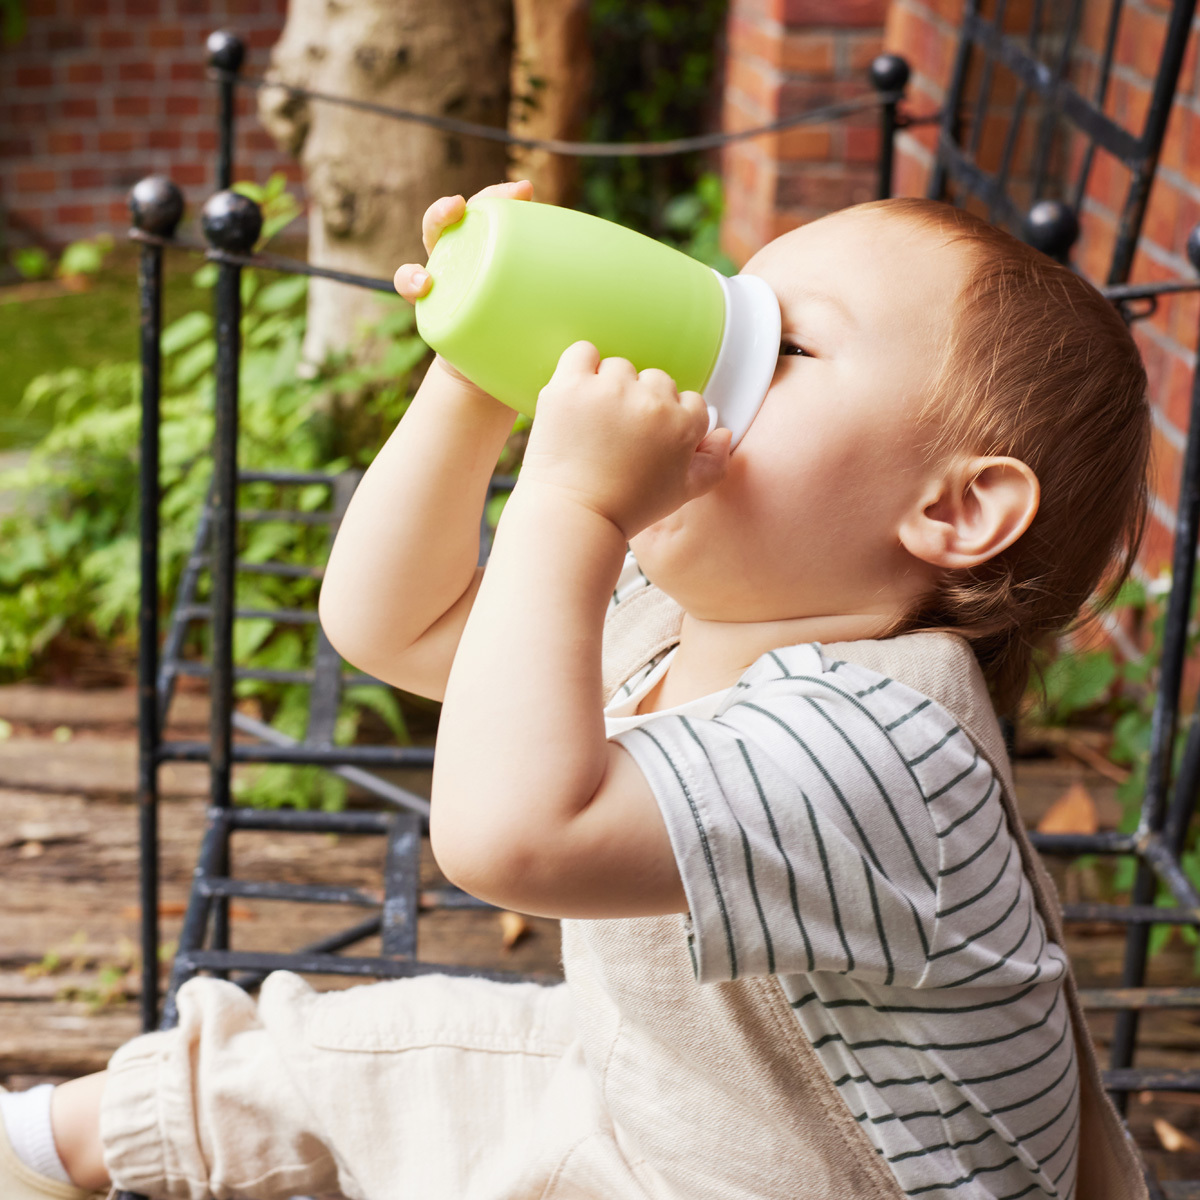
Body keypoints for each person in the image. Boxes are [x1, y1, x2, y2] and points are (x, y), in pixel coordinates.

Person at [1, 179, 1151, 1200]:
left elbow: (511, 840)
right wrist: (475, 375)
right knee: (375, 1054)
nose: (707, 368)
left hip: (800, 1174)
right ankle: (53, 1144)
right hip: (657, 1097)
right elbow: (395, 624)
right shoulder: (680, 609)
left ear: (953, 511)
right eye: (720, 310)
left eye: (783, 348)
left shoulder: (881, 748)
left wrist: (571, 506)